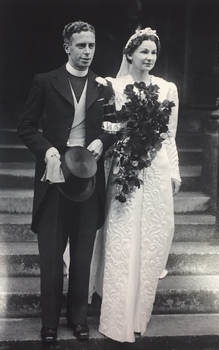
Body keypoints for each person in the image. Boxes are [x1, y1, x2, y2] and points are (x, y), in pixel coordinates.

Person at [17, 20, 114, 344]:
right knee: (51, 255)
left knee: (83, 254)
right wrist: (48, 152)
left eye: (91, 46)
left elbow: (114, 126)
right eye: (81, 46)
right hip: (55, 179)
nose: (87, 52)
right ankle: (48, 323)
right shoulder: (45, 81)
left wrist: (103, 140)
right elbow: (27, 127)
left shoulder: (103, 87)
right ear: (67, 47)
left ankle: (78, 319)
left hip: (88, 181)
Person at [97, 27, 181, 343]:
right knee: (123, 237)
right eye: (143, 51)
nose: (148, 57)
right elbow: (109, 127)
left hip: (156, 169)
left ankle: (139, 315)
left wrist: (173, 173)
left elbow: (170, 135)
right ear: (129, 54)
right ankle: (116, 316)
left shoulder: (167, 89)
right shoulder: (114, 86)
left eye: (153, 52)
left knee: (152, 238)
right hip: (125, 167)